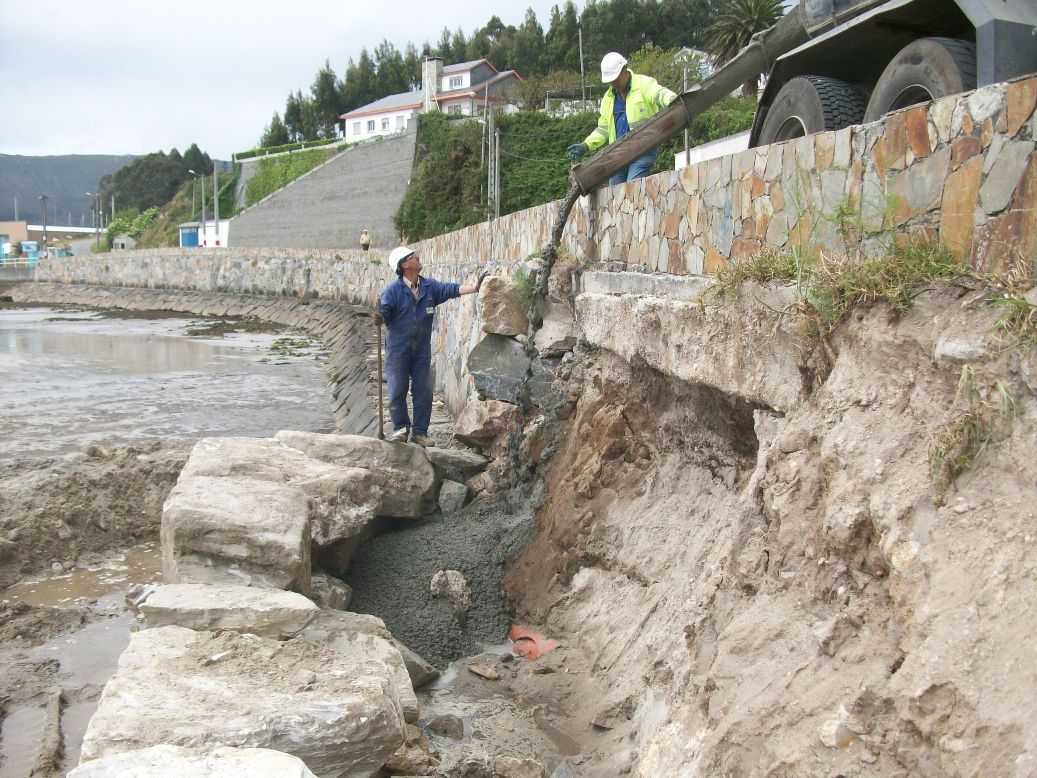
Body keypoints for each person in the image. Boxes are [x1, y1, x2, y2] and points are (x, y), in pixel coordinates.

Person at [372, 246, 486, 446]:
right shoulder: (392, 291)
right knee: (397, 390)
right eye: (412, 256)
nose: (417, 257)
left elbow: (451, 289)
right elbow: (384, 312)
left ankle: (420, 432)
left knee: (423, 391)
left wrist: (475, 288)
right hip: (398, 350)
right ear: (404, 264)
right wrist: (379, 316)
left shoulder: (429, 287)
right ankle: (400, 429)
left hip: (421, 351)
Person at [566, 52, 677, 186]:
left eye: (616, 80)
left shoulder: (644, 84)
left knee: (632, 188)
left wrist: (673, 99)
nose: (613, 84)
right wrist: (585, 145)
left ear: (625, 71)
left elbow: (659, 93)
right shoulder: (608, 98)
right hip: (618, 155)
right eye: (610, 81)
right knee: (615, 192)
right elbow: (603, 129)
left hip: (643, 149)